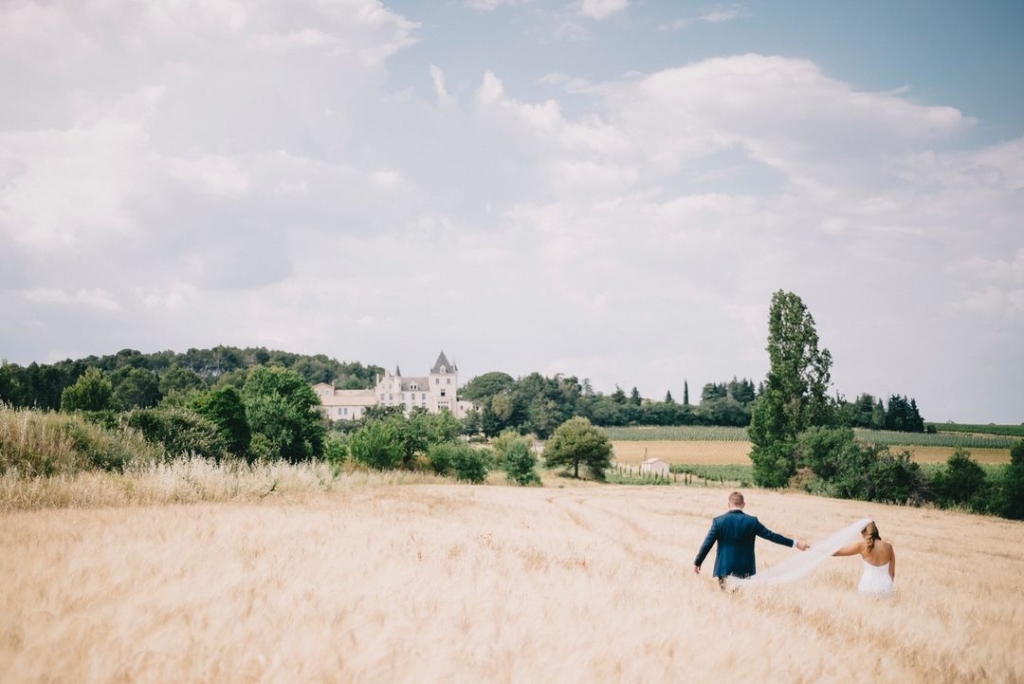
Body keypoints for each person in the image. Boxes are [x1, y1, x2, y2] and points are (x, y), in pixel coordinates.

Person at [693, 491, 808, 588]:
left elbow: (707, 544)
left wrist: (698, 562)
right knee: (741, 602)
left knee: (727, 600)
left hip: (724, 568)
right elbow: (772, 536)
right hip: (745, 569)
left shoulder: (719, 521)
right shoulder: (752, 521)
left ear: (729, 504)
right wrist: (795, 543)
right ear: (743, 504)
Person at [832, 520, 896, 597]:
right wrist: (887, 585)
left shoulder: (862, 546)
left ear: (864, 532)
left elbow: (838, 552)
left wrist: (821, 550)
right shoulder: (889, 547)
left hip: (867, 586)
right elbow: (892, 573)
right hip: (886, 587)